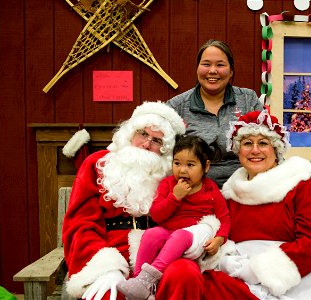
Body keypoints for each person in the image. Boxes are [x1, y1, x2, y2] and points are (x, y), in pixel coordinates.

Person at [155, 109, 311, 300]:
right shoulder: (231, 191)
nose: (255, 150)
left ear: (276, 150)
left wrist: (259, 270)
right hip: (237, 273)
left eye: (263, 143)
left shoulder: (299, 184)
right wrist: (223, 258)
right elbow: (215, 229)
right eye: (247, 144)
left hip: (296, 274)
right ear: (238, 151)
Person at [61, 101, 186, 300]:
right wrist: (105, 266)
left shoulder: (169, 175)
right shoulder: (98, 163)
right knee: (106, 294)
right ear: (130, 133)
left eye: (157, 141)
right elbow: (80, 223)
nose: (146, 144)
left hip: (157, 252)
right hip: (107, 248)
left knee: (180, 281)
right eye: (143, 134)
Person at [116, 135, 231, 300]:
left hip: (193, 241)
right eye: (177, 163)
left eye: (190, 165)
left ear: (205, 167)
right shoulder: (168, 184)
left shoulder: (210, 189)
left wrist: (219, 239)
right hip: (168, 235)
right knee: (151, 234)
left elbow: (225, 219)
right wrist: (174, 197)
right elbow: (157, 215)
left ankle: (149, 279)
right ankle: (140, 283)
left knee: (180, 235)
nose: (182, 170)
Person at [167, 39, 263, 188]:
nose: (213, 70)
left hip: (245, 187)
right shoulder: (176, 107)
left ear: (231, 71)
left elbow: (268, 144)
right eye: (206, 64)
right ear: (197, 68)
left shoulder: (248, 99)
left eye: (220, 65)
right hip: (193, 191)